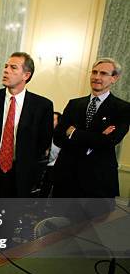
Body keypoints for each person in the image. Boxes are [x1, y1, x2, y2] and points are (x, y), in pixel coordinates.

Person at [0, 52, 53, 198]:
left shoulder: (42, 106)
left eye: (13, 68)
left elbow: (43, 142)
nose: (6, 70)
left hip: (19, 173)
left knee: (10, 218)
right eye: (6, 66)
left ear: (26, 75)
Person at [53, 58, 129, 198]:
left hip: (98, 180)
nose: (97, 77)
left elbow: (109, 141)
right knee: (59, 219)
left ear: (114, 78)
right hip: (67, 177)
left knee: (95, 220)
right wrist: (98, 137)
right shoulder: (74, 104)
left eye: (103, 73)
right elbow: (58, 137)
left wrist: (73, 132)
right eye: (94, 72)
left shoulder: (122, 108)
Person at [38, 111, 62, 198]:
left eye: (52, 120)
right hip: (38, 165)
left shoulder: (60, 138)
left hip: (52, 167)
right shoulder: (40, 134)